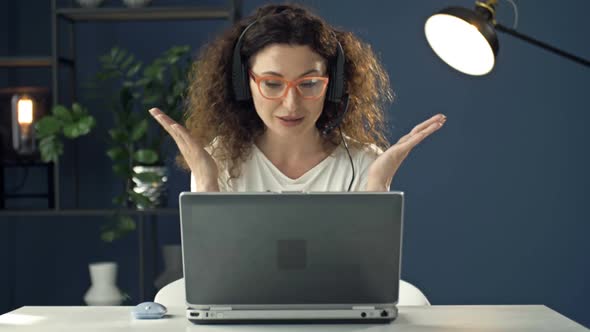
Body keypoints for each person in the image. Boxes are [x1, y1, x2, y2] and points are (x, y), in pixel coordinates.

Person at [149, 3, 446, 193]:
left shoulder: (362, 163)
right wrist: (206, 181)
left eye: (309, 83)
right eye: (273, 84)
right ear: (243, 84)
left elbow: (369, 279)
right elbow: (211, 274)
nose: (291, 104)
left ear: (334, 85)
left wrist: (377, 185)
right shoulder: (218, 160)